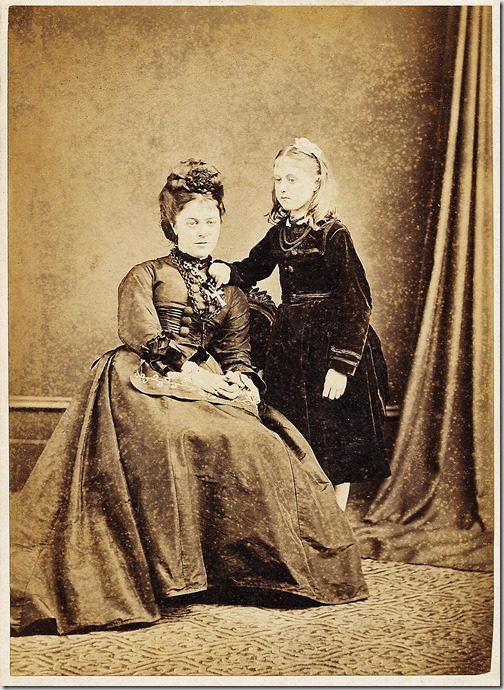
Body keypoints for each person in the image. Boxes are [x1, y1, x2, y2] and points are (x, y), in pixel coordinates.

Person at [10, 159, 369, 636]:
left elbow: (237, 351)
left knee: (259, 443)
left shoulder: (230, 290)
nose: (203, 231)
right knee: (171, 434)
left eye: (211, 222)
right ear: (173, 225)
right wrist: (188, 370)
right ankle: (168, 573)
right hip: (143, 376)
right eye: (192, 222)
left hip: (209, 381)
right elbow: (140, 330)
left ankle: (235, 573)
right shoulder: (147, 273)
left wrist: (239, 378)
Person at [209, 139, 391, 511]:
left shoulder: (333, 234)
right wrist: (227, 271)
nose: (283, 187)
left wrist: (341, 366)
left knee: (333, 439)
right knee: (295, 432)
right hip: (292, 346)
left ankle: (334, 520)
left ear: (316, 184)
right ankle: (304, 519)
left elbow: (357, 301)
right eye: (278, 180)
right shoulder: (280, 233)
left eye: (293, 179)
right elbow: (253, 267)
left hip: (331, 347)